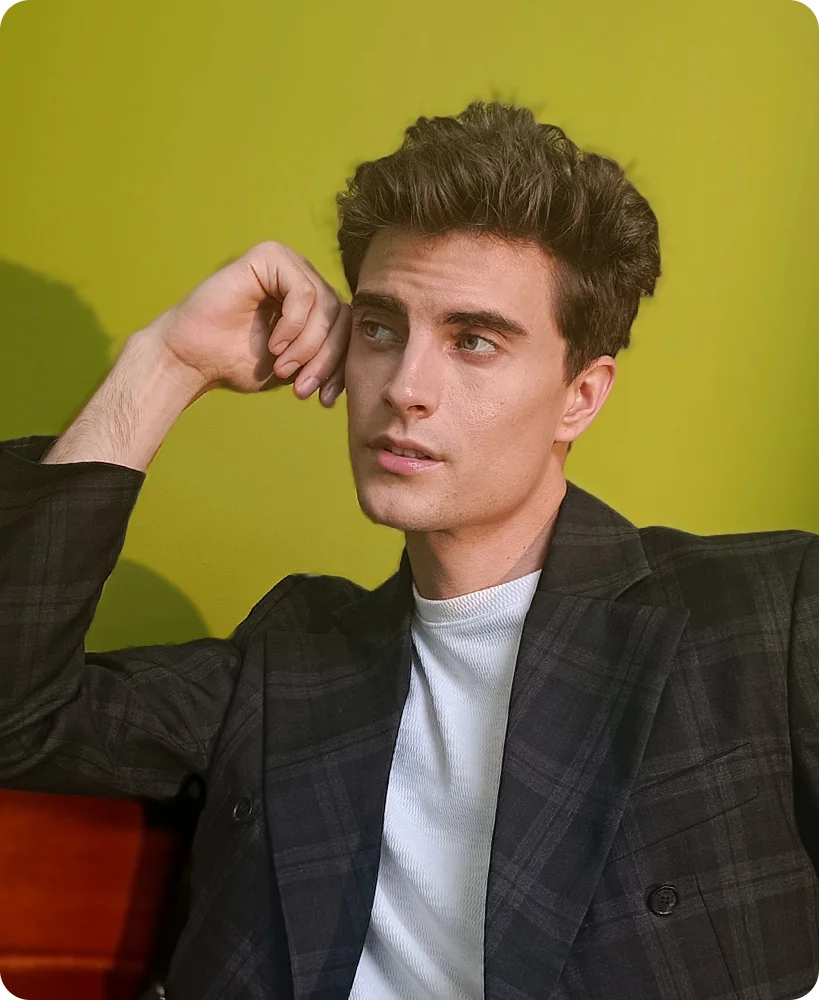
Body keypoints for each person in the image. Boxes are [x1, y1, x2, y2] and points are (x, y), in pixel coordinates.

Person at [0, 100, 816, 1000]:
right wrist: (165, 365)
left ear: (579, 396)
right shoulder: (290, 660)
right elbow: (14, 715)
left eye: (474, 341)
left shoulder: (768, 615)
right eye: (381, 328)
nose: (403, 387)